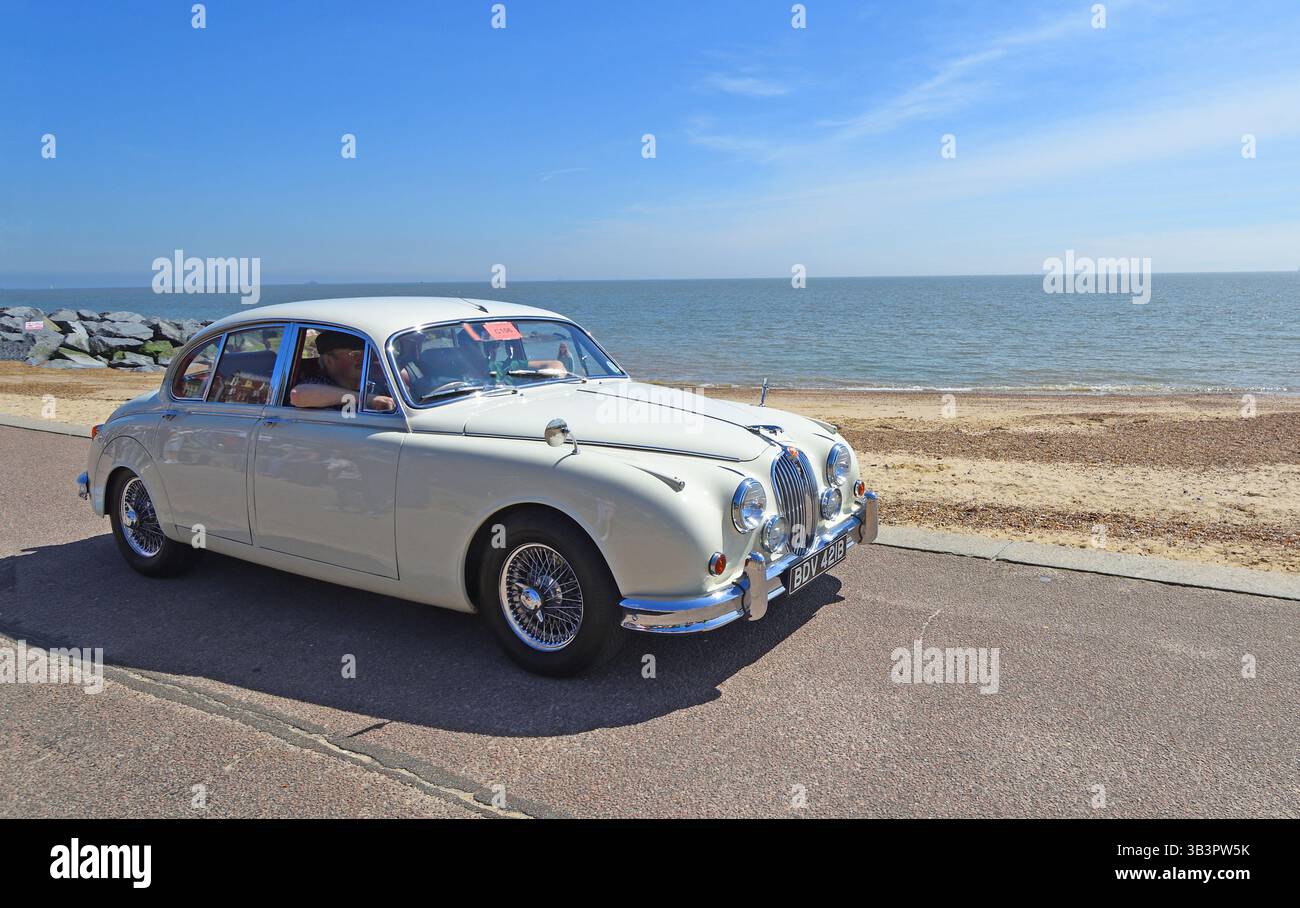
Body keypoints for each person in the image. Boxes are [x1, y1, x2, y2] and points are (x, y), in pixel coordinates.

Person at [289, 330, 395, 411]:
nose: (363, 359)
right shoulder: (318, 383)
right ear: (329, 361)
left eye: (367, 353)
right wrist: (368, 399)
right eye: (355, 354)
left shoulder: (376, 385)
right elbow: (297, 395)